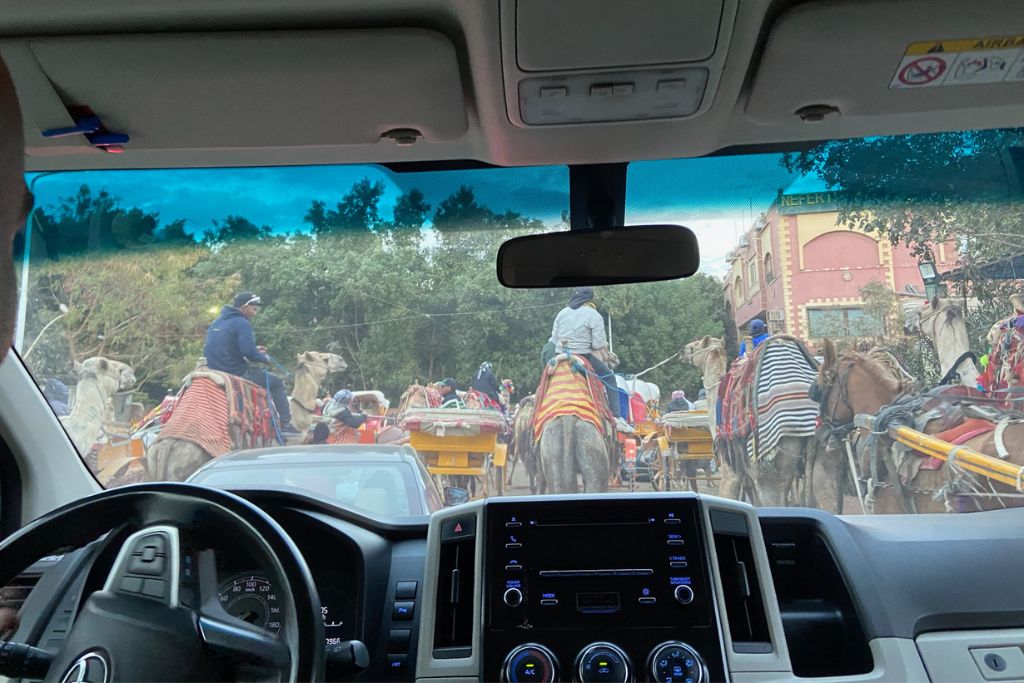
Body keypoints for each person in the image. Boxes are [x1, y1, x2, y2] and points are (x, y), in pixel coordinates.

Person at [203, 291, 299, 435]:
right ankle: (285, 425)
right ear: (244, 306)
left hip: (214, 369)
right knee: (277, 383)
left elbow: (230, 347)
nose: (256, 311)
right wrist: (263, 358)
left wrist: (254, 350)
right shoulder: (242, 323)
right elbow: (247, 351)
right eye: (254, 307)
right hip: (236, 371)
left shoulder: (216, 322)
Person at [548, 287, 625, 424]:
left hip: (559, 355)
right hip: (583, 356)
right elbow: (597, 344)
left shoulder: (562, 313)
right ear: (590, 298)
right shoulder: (594, 315)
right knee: (610, 377)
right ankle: (617, 417)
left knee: (545, 379)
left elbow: (553, 339)